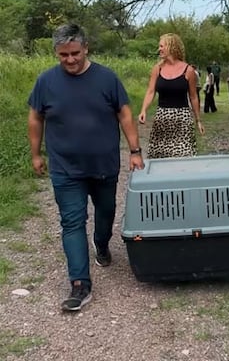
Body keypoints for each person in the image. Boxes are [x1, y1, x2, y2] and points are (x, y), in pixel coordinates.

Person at [27, 24, 145, 311]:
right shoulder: (46, 82)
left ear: (86, 48)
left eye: (75, 53)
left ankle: (102, 243)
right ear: (56, 53)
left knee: (106, 211)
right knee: (71, 221)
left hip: (103, 165)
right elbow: (35, 118)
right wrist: (36, 154)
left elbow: (125, 114)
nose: (70, 60)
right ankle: (80, 283)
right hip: (65, 167)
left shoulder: (106, 78)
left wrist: (135, 150)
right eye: (63, 55)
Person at [138, 33, 204, 158]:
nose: (159, 49)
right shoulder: (157, 69)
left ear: (172, 47)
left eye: (162, 46)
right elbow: (151, 91)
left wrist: (198, 120)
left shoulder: (188, 70)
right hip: (162, 119)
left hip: (182, 119)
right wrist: (143, 110)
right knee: (160, 159)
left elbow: (193, 97)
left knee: (183, 158)